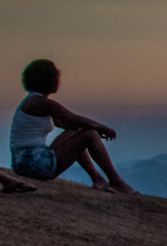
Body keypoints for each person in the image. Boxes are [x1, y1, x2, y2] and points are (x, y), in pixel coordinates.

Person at [10, 59, 137, 195]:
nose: (59, 81)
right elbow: (75, 118)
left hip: (25, 163)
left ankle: (98, 179)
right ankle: (116, 182)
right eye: (56, 77)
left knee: (79, 133)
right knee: (87, 135)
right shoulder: (41, 103)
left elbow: (70, 124)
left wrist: (88, 131)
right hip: (36, 164)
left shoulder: (33, 101)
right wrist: (103, 128)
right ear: (47, 80)